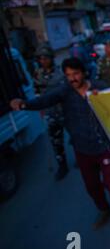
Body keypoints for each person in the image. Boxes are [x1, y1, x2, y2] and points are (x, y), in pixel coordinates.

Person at [10, 57, 110, 229]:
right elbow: (45, 100)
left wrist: (103, 98)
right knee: (92, 186)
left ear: (83, 73)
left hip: (104, 146)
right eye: (68, 75)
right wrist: (24, 104)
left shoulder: (99, 87)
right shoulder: (64, 91)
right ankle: (104, 210)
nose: (72, 78)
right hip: (82, 149)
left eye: (76, 74)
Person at [33, 45, 69, 181]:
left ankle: (81, 158)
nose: (43, 61)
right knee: (56, 141)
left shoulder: (61, 72)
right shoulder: (38, 73)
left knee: (75, 136)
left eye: (45, 58)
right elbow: (37, 91)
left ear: (51, 58)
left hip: (64, 110)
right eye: (40, 59)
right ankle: (62, 165)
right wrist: (40, 106)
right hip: (50, 112)